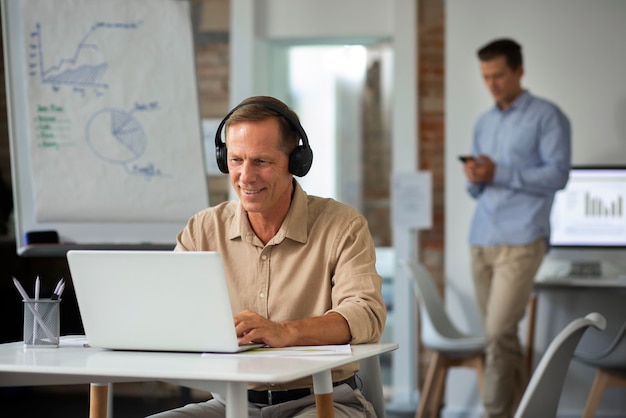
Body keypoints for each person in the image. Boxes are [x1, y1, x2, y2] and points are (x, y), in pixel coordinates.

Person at [148, 96, 386, 418]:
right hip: (230, 402)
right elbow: (166, 306)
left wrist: (285, 332)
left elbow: (366, 314)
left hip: (322, 401)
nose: (245, 176)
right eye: (236, 160)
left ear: (296, 161)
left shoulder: (343, 225)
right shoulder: (203, 229)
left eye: (261, 161)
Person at [461, 39, 571, 418]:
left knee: (496, 335)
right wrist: (475, 176)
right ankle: (528, 411)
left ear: (519, 71)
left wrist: (500, 172)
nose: (491, 84)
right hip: (481, 240)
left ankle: (495, 414)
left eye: (499, 75)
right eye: (486, 77)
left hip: (522, 240)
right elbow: (477, 188)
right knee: (502, 341)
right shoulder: (484, 122)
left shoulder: (547, 117)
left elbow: (558, 175)